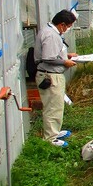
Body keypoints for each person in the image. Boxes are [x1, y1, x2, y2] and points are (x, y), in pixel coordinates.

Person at [33, 9, 78, 147]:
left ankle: (53, 131)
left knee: (56, 105)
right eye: (68, 26)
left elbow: (52, 53)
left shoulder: (50, 32)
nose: (68, 29)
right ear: (62, 24)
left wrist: (67, 55)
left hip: (51, 74)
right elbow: (48, 58)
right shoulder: (51, 35)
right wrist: (65, 62)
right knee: (52, 107)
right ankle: (50, 138)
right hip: (50, 76)